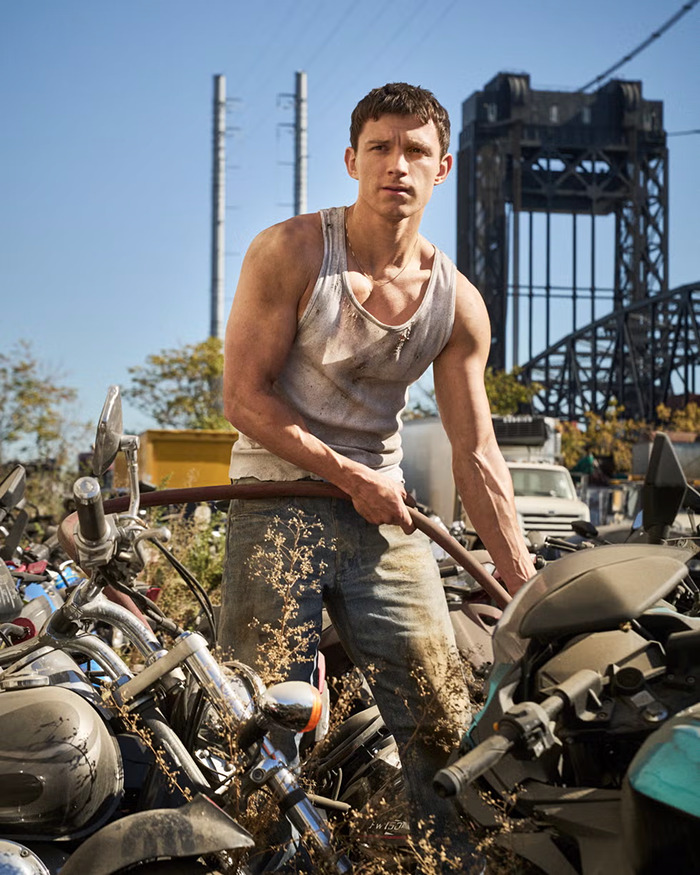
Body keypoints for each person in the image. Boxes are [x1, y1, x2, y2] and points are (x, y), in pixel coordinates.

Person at [220, 82, 533, 869]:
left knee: (441, 719)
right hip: (276, 500)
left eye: (416, 150)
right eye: (382, 147)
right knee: (262, 721)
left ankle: (445, 860)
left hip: (382, 522)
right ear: (352, 160)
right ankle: (258, 857)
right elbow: (243, 398)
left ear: (444, 166)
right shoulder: (290, 252)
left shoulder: (456, 304)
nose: (398, 164)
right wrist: (347, 474)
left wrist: (520, 577)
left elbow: (476, 449)